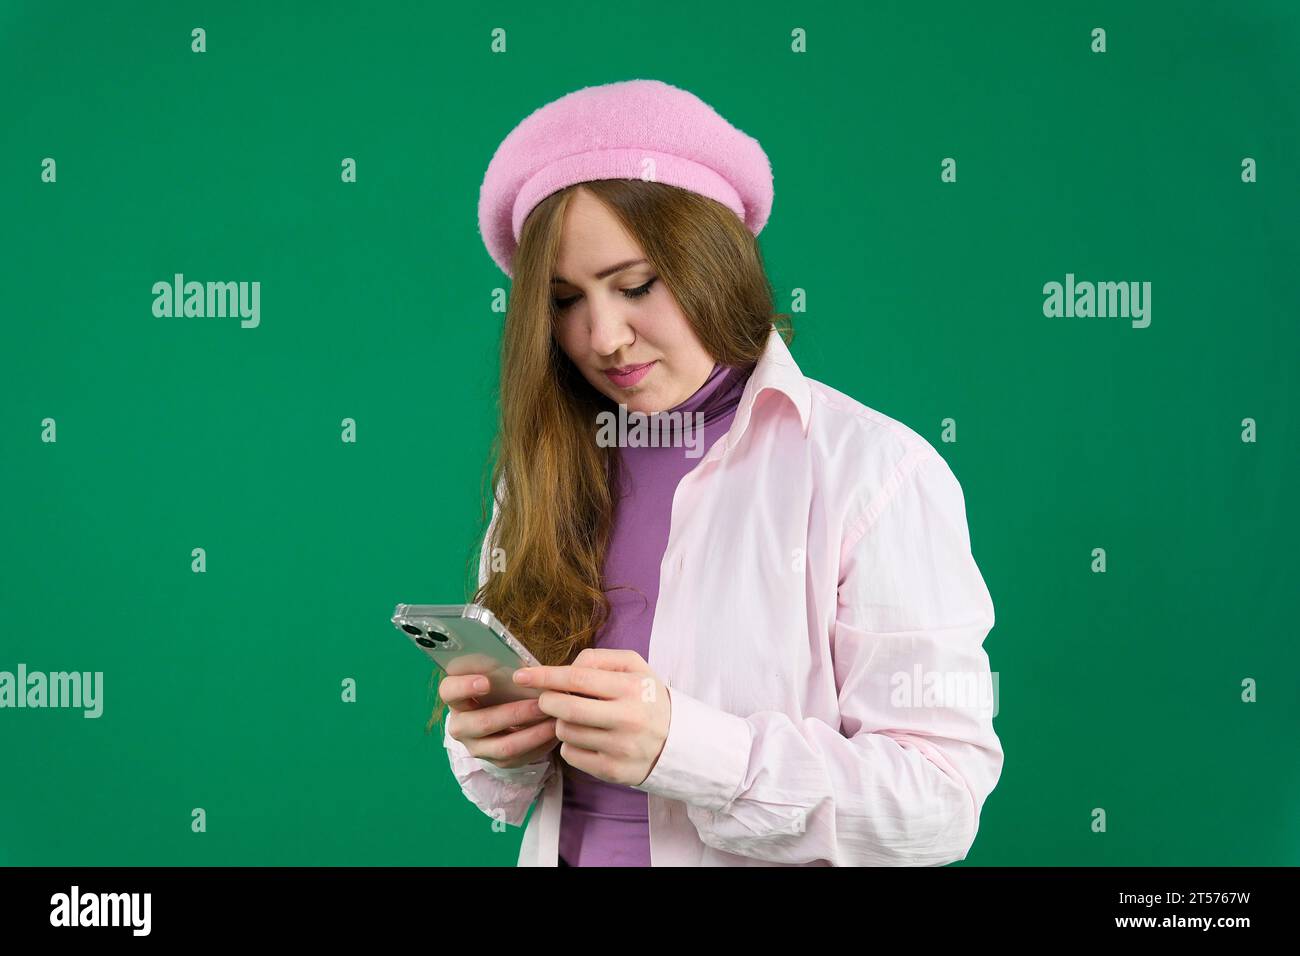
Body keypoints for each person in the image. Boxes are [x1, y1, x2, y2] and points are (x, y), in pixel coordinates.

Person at [435, 78, 1003, 866]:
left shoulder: (876, 472)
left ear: (713, 260)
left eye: (636, 286)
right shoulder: (543, 473)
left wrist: (690, 750)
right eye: (564, 301)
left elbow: (939, 803)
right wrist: (499, 744)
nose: (604, 337)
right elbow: (508, 793)